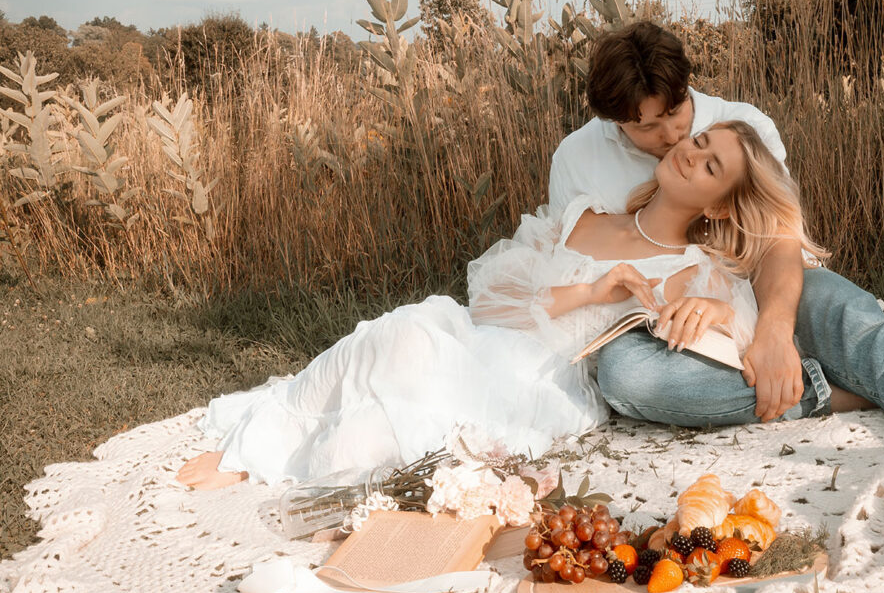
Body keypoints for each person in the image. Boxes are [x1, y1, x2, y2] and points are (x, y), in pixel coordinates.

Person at [177, 120, 825, 490]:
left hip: (542, 382)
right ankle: (255, 444)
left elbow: (742, 337)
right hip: (481, 340)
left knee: (357, 447)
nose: (692, 152)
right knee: (400, 333)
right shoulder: (580, 218)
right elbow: (489, 300)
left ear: (717, 203)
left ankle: (274, 462)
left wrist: (721, 312)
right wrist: (592, 290)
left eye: (711, 166)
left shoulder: (695, 268)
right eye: (701, 139)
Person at [553, 21, 884, 465]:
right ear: (615, 120)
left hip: (763, 288)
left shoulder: (740, 124)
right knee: (628, 378)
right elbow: (569, 264)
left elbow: (779, 240)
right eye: (646, 127)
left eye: (676, 115)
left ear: (686, 87)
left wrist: (773, 333)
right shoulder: (577, 158)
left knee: (855, 324)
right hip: (659, 329)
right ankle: (828, 387)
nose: (673, 137)